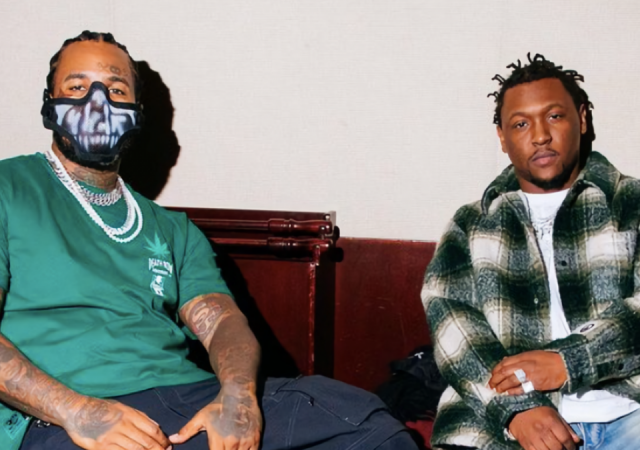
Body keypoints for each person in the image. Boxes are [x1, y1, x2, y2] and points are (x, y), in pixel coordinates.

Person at [0, 30, 417, 450]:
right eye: (76, 87)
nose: (98, 102)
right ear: (49, 105)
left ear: (137, 113)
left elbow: (223, 324)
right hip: (57, 416)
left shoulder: (172, 229)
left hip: (183, 397)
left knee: (366, 424)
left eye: (116, 89)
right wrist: (77, 411)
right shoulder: (9, 188)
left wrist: (237, 397)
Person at [422, 53, 640, 450]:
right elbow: (453, 327)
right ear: (503, 138)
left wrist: (569, 361)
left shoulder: (631, 203)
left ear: (582, 119)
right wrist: (518, 410)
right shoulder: (472, 224)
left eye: (554, 116)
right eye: (521, 124)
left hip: (628, 411)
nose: (540, 135)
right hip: (501, 421)